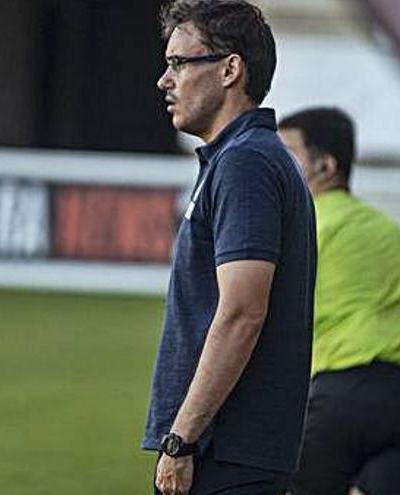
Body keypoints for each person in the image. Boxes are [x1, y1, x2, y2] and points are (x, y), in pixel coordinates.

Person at [142, 2, 316, 495]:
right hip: (225, 450)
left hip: (224, 453)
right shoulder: (237, 159)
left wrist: (181, 440)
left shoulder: (247, 164)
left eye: (179, 62)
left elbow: (242, 312)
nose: (164, 79)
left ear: (230, 69)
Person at [278, 107, 400, 495]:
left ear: (325, 166)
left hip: (343, 401)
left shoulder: (299, 225)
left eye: (287, 155)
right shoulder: (389, 230)